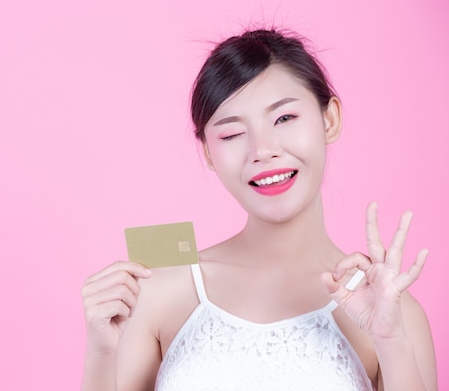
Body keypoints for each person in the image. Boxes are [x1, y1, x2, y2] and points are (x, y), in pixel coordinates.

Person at [80, 28, 437, 391]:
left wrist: (391, 343)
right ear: (208, 153)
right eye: (232, 134)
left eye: (284, 119)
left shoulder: (392, 312)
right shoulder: (160, 290)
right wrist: (101, 355)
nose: (263, 150)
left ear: (329, 120)